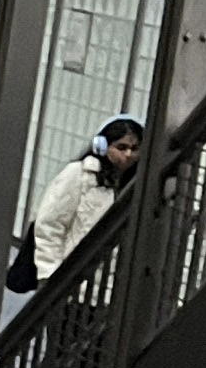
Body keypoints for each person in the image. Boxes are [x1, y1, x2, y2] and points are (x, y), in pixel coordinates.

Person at [24, 114, 145, 289]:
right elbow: (50, 225)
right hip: (72, 281)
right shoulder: (79, 175)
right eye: (121, 147)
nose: (128, 154)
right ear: (102, 147)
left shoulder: (136, 184)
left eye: (134, 149)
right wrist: (48, 273)